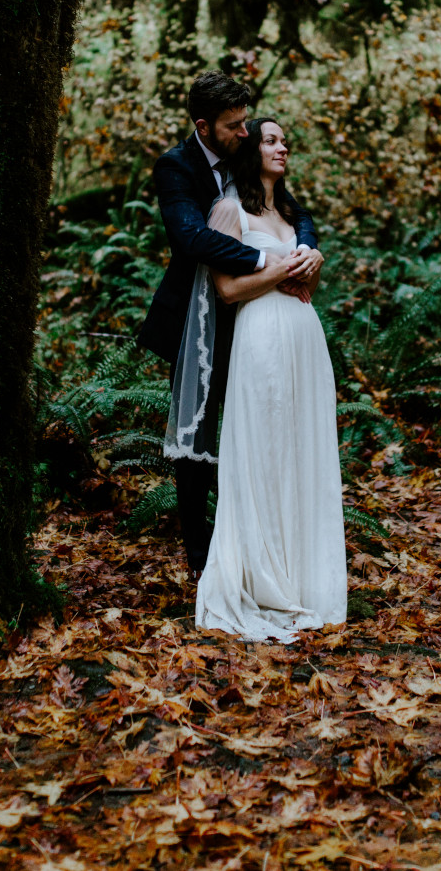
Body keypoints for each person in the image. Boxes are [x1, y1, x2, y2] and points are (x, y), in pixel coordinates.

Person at [137, 72, 323, 579]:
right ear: (204, 125)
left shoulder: (245, 149)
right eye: (234, 125)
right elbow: (190, 238)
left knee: (262, 423)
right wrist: (269, 264)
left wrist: (305, 248)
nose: (245, 132)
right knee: (198, 438)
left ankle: (263, 542)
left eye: (247, 123)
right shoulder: (176, 167)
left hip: (258, 319)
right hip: (200, 319)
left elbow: (289, 207)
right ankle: (203, 559)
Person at [195, 117, 346, 640]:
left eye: (285, 141)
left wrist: (312, 264)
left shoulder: (291, 214)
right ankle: (261, 579)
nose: (283, 147)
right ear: (250, 147)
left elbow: (308, 287)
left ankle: (305, 577)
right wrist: (284, 270)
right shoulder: (227, 209)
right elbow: (228, 290)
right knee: (265, 452)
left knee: (303, 452)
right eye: (272, 139)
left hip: (305, 340)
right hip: (259, 341)